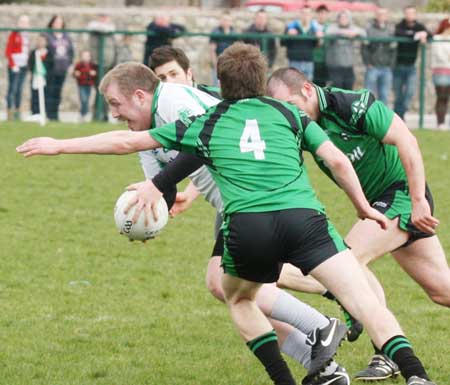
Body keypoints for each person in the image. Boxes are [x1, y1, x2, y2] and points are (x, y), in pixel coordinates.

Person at [17, 43, 437, 385]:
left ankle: (300, 362)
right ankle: (415, 375)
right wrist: (363, 207)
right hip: (303, 218)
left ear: (218, 83)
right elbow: (339, 163)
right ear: (262, 83)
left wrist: (59, 144)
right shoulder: (289, 113)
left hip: (248, 224)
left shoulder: (208, 120)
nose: (115, 112)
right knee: (363, 299)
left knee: (236, 295)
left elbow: (128, 143)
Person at [148, 46, 351, 384]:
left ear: (190, 75)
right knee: (229, 287)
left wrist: (160, 185)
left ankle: (320, 325)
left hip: (249, 206)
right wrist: (168, 201)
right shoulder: (163, 113)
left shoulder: (209, 103)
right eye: (161, 78)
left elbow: (207, 149)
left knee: (235, 289)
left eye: (172, 74)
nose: (168, 83)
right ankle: (324, 356)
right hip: (234, 206)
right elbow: (207, 155)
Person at [267, 66, 447, 384]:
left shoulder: (352, 105)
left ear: (307, 90)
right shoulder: (301, 124)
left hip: (401, 194)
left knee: (347, 260)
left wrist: (419, 200)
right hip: (378, 207)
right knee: (441, 290)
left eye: (292, 106)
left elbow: (407, 140)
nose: (290, 114)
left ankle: (388, 352)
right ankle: (387, 351)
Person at [393, 6, 431, 120]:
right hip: (398, 65)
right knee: (398, 94)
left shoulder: (419, 26)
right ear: (405, 14)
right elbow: (399, 33)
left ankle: (400, 113)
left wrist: (424, 35)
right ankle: (398, 116)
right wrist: (416, 35)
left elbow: (430, 34)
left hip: (411, 66)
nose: (410, 15)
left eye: (412, 13)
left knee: (410, 92)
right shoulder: (399, 26)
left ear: (415, 15)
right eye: (408, 13)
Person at [361, 7, 396, 106]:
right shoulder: (369, 29)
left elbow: (393, 49)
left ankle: (382, 119)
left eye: (384, 14)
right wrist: (368, 62)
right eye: (379, 14)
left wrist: (390, 64)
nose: (381, 16)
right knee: (367, 94)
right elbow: (364, 47)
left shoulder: (390, 30)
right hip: (372, 67)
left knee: (384, 95)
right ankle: (366, 117)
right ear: (376, 15)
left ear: (387, 16)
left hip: (386, 68)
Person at [43, 14, 74, 121]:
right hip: (50, 69)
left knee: (58, 92)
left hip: (62, 69)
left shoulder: (66, 36)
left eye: (60, 22)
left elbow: (71, 52)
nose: (58, 24)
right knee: (49, 91)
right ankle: (48, 114)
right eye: (56, 22)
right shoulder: (47, 35)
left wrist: (70, 64)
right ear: (52, 23)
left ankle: (55, 115)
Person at [87, 13, 117, 121]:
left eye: (106, 17)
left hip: (109, 65)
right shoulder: (96, 30)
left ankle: (103, 115)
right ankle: (98, 115)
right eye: (102, 17)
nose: (104, 19)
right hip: (98, 65)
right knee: (101, 91)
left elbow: (114, 47)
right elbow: (102, 29)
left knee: (106, 91)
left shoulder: (111, 32)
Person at [325, 10, 365, 90]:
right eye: (341, 17)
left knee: (348, 91)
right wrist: (345, 33)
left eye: (345, 17)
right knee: (336, 91)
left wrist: (355, 33)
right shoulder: (333, 27)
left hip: (348, 66)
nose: (343, 19)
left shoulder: (353, 28)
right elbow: (328, 32)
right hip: (335, 66)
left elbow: (363, 33)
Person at [281, 6, 318, 81]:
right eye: (303, 13)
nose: (305, 15)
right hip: (294, 61)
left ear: (311, 15)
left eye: (308, 13)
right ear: (300, 14)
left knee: (308, 86)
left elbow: (316, 45)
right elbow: (282, 42)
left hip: (308, 62)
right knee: (293, 85)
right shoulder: (291, 26)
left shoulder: (314, 28)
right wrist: (288, 34)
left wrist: (319, 38)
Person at [5, 14, 30, 121]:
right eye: (22, 22)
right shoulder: (14, 34)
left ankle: (18, 111)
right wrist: (13, 64)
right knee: (12, 89)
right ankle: (10, 111)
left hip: (24, 66)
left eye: (26, 23)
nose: (24, 24)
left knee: (20, 89)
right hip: (14, 66)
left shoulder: (27, 35)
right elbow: (8, 51)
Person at [430, 17, 450, 130]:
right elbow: (439, 55)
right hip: (441, 71)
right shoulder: (437, 38)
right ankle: (440, 123)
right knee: (442, 97)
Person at [27, 34, 53, 118]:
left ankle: (46, 114)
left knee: (46, 96)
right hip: (36, 78)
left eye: (42, 41)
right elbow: (30, 64)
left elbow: (52, 65)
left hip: (46, 79)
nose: (41, 42)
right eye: (39, 40)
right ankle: (35, 113)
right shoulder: (34, 53)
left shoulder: (49, 53)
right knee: (35, 96)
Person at [209, 12, 236, 86]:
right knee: (216, 86)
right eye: (224, 20)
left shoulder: (234, 33)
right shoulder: (215, 32)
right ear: (220, 20)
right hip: (218, 62)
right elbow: (212, 50)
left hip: (230, 64)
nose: (226, 22)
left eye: (228, 20)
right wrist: (215, 65)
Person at [73, 50, 97, 122]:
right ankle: (83, 114)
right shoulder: (79, 65)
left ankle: (83, 115)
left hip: (89, 85)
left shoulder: (92, 65)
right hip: (81, 85)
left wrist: (94, 73)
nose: (86, 58)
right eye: (84, 56)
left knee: (87, 100)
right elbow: (74, 73)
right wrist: (76, 73)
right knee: (84, 100)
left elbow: (95, 73)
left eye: (87, 56)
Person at [311, 5, 330, 87]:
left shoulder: (329, 27)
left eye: (324, 13)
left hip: (325, 60)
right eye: (320, 13)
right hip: (312, 59)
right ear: (317, 14)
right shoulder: (311, 26)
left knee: (322, 85)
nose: (322, 15)